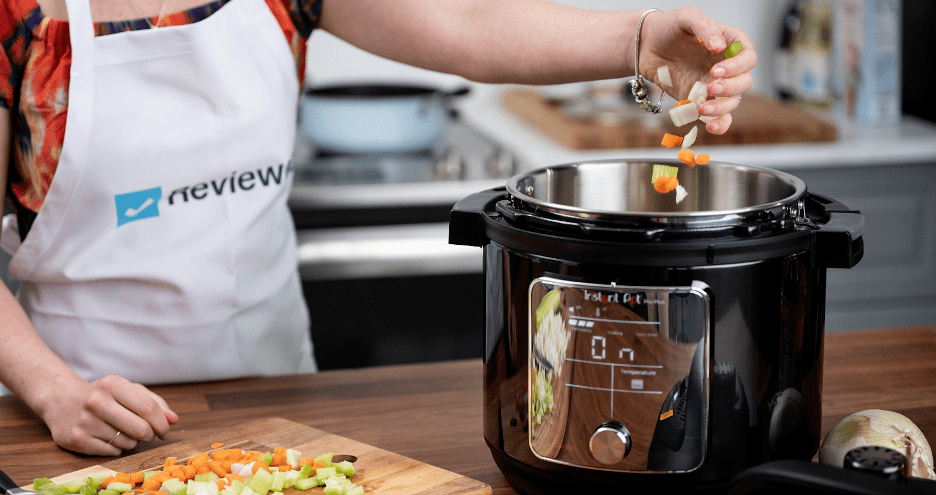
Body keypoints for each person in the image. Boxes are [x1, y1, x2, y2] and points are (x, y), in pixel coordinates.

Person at [0, 0, 757, 456]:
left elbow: (465, 24)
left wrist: (638, 37)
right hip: (83, 421)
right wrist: (55, 393)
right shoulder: (19, 23)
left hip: (277, 400)